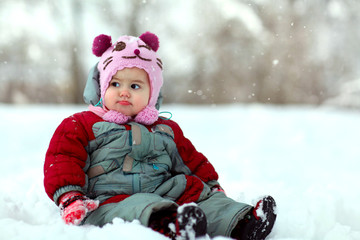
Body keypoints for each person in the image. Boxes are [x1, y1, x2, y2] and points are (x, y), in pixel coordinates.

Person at [44, 31, 277, 240]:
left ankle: (242, 223)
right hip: (110, 199)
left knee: (198, 195)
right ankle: (171, 223)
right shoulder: (81, 124)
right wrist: (71, 197)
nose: (124, 92)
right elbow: (62, 158)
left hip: (164, 190)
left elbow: (191, 160)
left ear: (152, 95)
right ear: (102, 88)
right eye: (115, 83)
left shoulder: (165, 128)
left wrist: (211, 186)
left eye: (135, 86)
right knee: (143, 206)